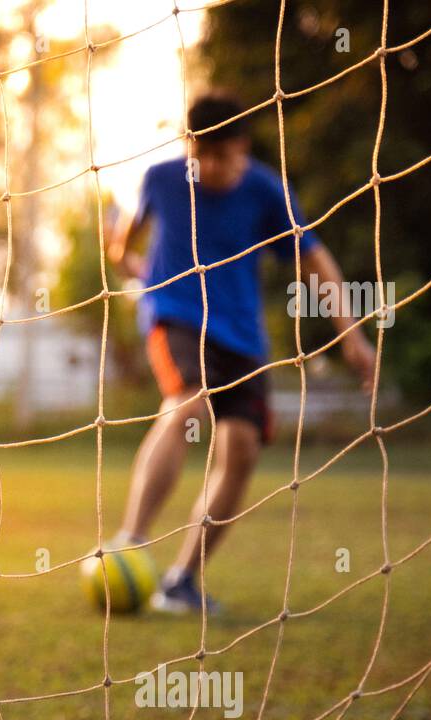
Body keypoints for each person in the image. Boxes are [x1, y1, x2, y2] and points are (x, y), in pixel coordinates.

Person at [107, 92, 376, 614]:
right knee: (189, 399)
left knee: (242, 449)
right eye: (200, 154)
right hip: (176, 314)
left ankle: (180, 581)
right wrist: (130, 264)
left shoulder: (266, 191)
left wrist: (353, 337)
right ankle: (130, 543)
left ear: (242, 148)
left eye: (220, 156)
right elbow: (122, 245)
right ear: (189, 146)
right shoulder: (162, 179)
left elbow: (315, 260)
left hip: (241, 336)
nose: (208, 167)